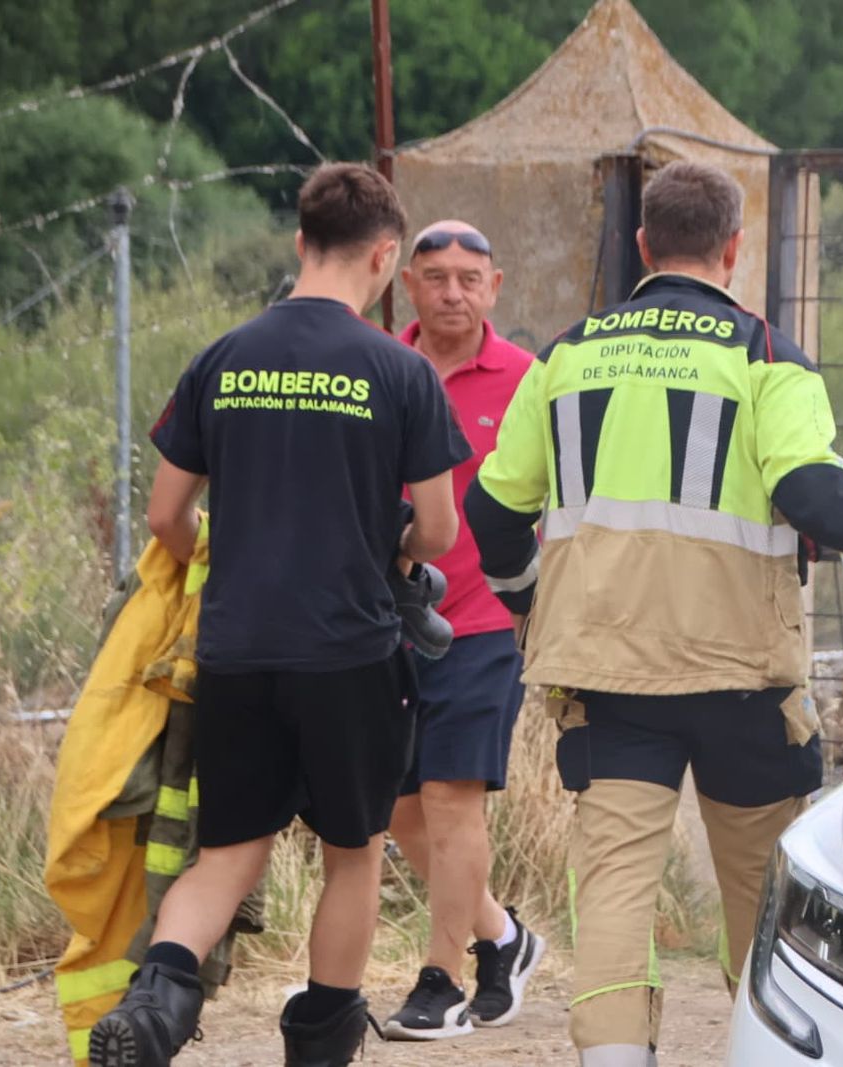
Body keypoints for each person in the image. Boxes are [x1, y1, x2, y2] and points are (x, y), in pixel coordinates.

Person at [463, 160, 843, 1067]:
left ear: (643, 246)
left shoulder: (565, 357)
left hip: (607, 673)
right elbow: (810, 489)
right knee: (762, 883)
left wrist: (529, 599)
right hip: (742, 676)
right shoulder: (767, 357)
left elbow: (491, 511)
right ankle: (771, 1047)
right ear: (734, 248)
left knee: (613, 883)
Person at [88, 162, 472, 1067]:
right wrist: (391, 550)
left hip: (237, 649)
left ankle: (152, 1009)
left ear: (301, 242)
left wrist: (222, 559)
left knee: (226, 852)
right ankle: (320, 1044)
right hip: (351, 653)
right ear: (385, 256)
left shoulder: (221, 358)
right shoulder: (401, 370)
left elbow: (165, 516)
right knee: (353, 852)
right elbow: (440, 530)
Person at [381, 220, 544, 1041]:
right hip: (384, 623)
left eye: (468, 278)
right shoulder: (378, 366)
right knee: (397, 808)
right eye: (436, 276)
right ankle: (504, 935)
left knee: (451, 797)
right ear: (406, 283)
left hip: (484, 624)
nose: (453, 292)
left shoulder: (530, 381)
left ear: (495, 287)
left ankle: (441, 981)